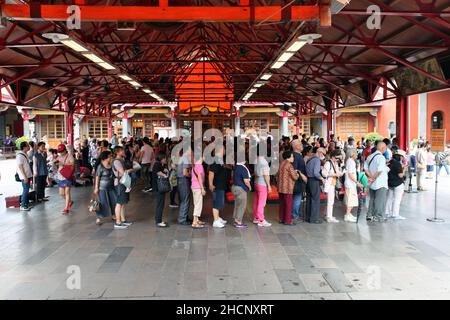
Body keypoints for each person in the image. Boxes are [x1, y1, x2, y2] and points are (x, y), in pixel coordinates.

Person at [364, 140, 389, 222]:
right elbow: (379, 171)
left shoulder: (370, 156)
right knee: (380, 200)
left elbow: (365, 168)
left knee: (372, 199)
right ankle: (378, 216)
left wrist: (370, 177)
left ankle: (370, 215)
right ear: (383, 148)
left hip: (372, 183)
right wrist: (373, 178)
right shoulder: (381, 158)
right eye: (385, 148)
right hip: (380, 183)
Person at [112, 146, 134, 229]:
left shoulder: (122, 160)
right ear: (117, 152)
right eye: (122, 151)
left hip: (123, 182)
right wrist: (132, 170)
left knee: (123, 202)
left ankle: (123, 220)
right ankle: (118, 222)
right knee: (119, 203)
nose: (123, 151)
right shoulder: (117, 161)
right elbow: (122, 172)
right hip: (120, 183)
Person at [93, 150, 117, 225]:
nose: (111, 157)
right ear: (105, 158)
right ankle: (98, 217)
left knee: (114, 201)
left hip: (111, 187)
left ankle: (113, 215)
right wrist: (96, 188)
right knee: (102, 203)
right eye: (110, 156)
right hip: (102, 188)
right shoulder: (100, 166)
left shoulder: (112, 165)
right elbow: (97, 177)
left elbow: (114, 175)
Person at [278, 150, 300, 225]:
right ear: (289, 157)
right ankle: (288, 220)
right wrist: (297, 173)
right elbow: (295, 177)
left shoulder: (281, 163)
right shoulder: (289, 165)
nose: (293, 158)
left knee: (282, 204)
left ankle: (281, 218)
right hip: (287, 188)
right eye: (292, 156)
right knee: (288, 204)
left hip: (281, 187)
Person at [305, 147, 326, 224]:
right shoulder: (317, 160)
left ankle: (308, 217)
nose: (323, 156)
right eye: (323, 154)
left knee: (309, 199)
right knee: (315, 200)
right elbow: (316, 173)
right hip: (314, 181)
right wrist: (322, 179)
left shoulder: (310, 159)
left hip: (309, 180)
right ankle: (314, 219)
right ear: (319, 152)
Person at [209, 148, 228, 228]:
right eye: (223, 149)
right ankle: (215, 221)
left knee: (220, 202)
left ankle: (218, 217)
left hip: (221, 185)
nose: (224, 150)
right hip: (217, 185)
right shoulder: (215, 160)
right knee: (217, 203)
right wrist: (210, 184)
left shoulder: (220, 160)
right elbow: (211, 173)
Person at [322, 150, 343, 223]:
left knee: (331, 200)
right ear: (333, 156)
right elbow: (324, 174)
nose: (337, 160)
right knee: (330, 201)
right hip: (329, 184)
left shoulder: (335, 163)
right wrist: (334, 174)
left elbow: (336, 172)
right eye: (337, 158)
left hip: (333, 183)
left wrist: (340, 173)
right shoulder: (328, 163)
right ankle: (328, 217)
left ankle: (328, 215)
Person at [385, 149, 407, 220]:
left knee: (389, 198)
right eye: (402, 157)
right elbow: (400, 175)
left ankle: (387, 212)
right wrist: (404, 169)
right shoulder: (398, 164)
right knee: (397, 200)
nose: (403, 158)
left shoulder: (390, 162)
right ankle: (395, 214)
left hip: (390, 183)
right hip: (398, 184)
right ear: (400, 157)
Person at [253, 147, 272, 227]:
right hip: (262, 184)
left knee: (256, 201)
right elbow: (266, 175)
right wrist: (269, 185)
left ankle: (256, 218)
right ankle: (261, 220)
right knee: (262, 203)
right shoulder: (264, 162)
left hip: (256, 182)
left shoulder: (256, 160)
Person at [232, 155, 251, 228]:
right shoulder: (243, 168)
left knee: (237, 205)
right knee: (242, 206)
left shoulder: (236, 167)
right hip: (240, 189)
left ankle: (236, 220)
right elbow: (246, 181)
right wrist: (250, 187)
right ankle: (239, 222)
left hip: (235, 187)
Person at [291, 140, 307, 222]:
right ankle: (294, 215)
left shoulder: (297, 155)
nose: (302, 146)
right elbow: (295, 170)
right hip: (297, 182)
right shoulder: (296, 156)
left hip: (298, 181)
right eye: (300, 144)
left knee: (296, 199)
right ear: (295, 146)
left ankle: (294, 214)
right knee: (297, 199)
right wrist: (301, 177)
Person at [56, 144, 75, 215]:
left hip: (67, 176)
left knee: (67, 192)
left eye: (61, 151)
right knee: (61, 193)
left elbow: (73, 165)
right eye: (59, 151)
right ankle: (70, 201)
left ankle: (66, 208)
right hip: (60, 176)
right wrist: (55, 163)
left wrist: (63, 164)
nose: (60, 153)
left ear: (65, 150)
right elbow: (56, 165)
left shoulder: (70, 156)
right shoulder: (58, 157)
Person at [344, 149, 362, 223]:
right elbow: (350, 174)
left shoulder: (349, 161)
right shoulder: (351, 162)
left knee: (350, 199)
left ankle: (348, 214)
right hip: (350, 184)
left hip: (350, 183)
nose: (357, 155)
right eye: (356, 154)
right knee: (350, 200)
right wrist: (357, 182)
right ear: (352, 154)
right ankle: (347, 215)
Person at [153, 152, 170, 228]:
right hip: (158, 187)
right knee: (160, 204)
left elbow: (162, 170)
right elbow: (158, 172)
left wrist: (165, 170)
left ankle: (158, 219)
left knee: (161, 203)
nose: (165, 160)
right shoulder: (157, 164)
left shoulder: (160, 164)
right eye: (164, 158)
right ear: (161, 159)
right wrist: (165, 175)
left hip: (159, 187)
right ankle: (158, 221)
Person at [177, 149, 192, 225]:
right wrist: (191, 175)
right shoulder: (185, 158)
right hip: (184, 180)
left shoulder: (181, 157)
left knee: (182, 199)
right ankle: (182, 219)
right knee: (185, 199)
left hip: (179, 180)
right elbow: (185, 173)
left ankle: (184, 216)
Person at [16, 141, 33, 211]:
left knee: (27, 189)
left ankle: (25, 204)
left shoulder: (25, 154)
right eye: (28, 146)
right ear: (24, 147)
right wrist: (24, 176)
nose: (29, 147)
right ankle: (23, 205)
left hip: (27, 175)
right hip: (24, 176)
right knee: (25, 190)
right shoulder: (20, 155)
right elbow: (20, 166)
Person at [191, 152, 206, 229]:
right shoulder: (199, 166)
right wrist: (202, 188)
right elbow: (199, 177)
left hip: (194, 186)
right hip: (198, 187)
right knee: (198, 204)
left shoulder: (194, 166)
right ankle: (194, 222)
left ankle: (197, 220)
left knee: (196, 203)